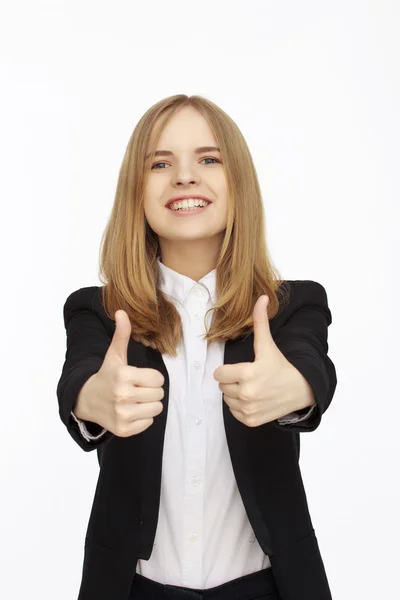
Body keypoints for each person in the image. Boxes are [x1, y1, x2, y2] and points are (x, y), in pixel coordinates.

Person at [56, 94, 337, 600]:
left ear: (239, 185)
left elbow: (313, 369)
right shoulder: (96, 311)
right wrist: (93, 402)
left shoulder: (293, 305)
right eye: (160, 163)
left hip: (268, 587)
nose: (184, 177)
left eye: (209, 159)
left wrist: (294, 389)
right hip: (132, 589)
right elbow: (78, 383)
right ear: (135, 192)